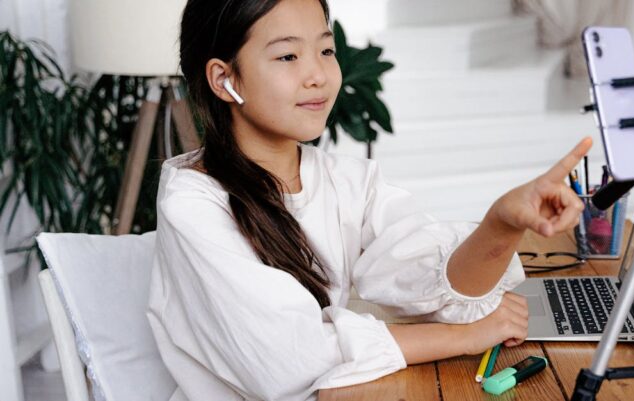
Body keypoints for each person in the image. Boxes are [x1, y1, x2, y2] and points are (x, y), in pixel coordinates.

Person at [146, 0, 592, 400]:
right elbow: (288, 360)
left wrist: (503, 223)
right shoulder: (192, 204)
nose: (318, 74)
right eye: (287, 56)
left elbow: (430, 287)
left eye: (325, 50)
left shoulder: (346, 179)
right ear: (224, 79)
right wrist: (464, 338)